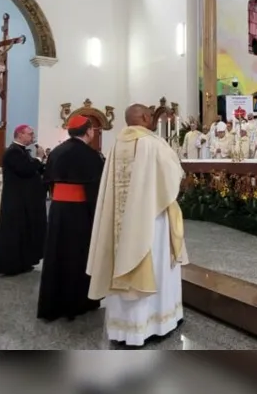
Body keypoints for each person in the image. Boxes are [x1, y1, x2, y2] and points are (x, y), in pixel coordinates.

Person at [87, 104, 188, 346]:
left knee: (120, 257)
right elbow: (174, 177)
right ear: (144, 117)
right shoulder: (153, 144)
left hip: (121, 222)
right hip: (152, 220)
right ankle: (157, 321)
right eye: (150, 116)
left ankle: (124, 328)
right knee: (157, 263)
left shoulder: (115, 145)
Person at [38, 115, 105, 322]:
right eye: (92, 129)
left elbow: (48, 181)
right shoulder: (90, 155)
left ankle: (54, 302)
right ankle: (77, 303)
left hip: (58, 209)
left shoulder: (57, 151)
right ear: (87, 132)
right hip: (79, 211)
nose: (93, 132)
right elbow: (96, 188)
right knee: (77, 254)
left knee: (57, 253)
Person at [0, 124, 47, 276]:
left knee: (25, 233)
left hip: (24, 201)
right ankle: (12, 265)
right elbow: (26, 170)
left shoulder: (21, 151)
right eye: (30, 133)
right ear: (20, 134)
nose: (32, 136)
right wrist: (38, 158)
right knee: (15, 234)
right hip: (16, 201)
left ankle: (24, 262)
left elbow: (32, 171)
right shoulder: (13, 152)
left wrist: (40, 162)